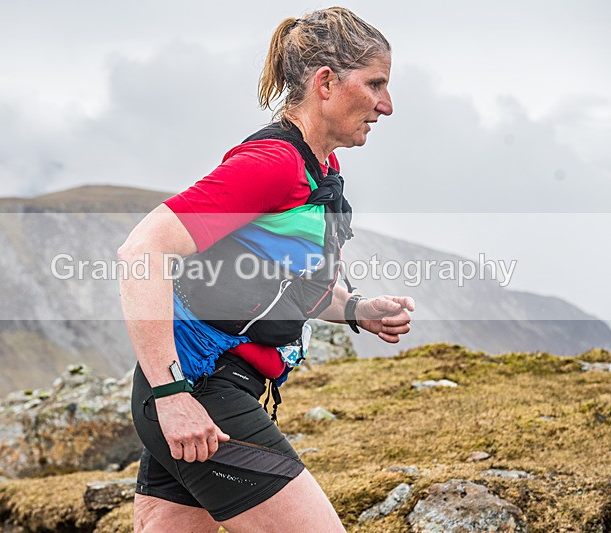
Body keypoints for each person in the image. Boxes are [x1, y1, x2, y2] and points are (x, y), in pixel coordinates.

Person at [118, 7, 415, 532]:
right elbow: (142, 251)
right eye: (375, 84)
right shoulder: (274, 164)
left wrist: (356, 310)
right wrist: (171, 396)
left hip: (206, 391)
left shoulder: (319, 168)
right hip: (196, 392)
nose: (386, 105)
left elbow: (281, 285)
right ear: (326, 83)